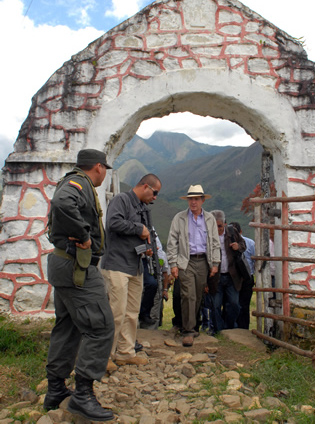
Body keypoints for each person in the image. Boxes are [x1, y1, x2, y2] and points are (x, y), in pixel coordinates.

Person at [44, 149, 115, 422]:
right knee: (101, 326)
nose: (105, 173)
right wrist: (84, 235)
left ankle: (56, 390)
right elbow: (62, 203)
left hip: (63, 265)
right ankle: (83, 396)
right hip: (77, 268)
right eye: (105, 169)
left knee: (68, 325)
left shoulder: (75, 181)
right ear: (98, 167)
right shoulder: (78, 183)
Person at [101, 174, 162, 365]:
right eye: (155, 192)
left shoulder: (143, 208)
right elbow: (113, 223)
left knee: (131, 312)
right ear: (145, 186)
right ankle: (105, 357)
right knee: (116, 312)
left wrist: (147, 246)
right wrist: (139, 229)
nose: (155, 197)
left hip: (136, 265)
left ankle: (125, 353)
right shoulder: (121, 200)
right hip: (117, 264)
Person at [167, 184, 221, 347]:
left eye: (196, 199)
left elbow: (214, 242)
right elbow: (172, 241)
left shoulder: (210, 218)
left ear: (202, 200)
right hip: (186, 261)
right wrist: (173, 263)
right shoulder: (180, 218)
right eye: (191, 199)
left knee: (197, 296)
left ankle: (193, 326)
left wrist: (215, 263)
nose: (193, 202)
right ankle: (188, 330)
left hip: (203, 261)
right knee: (188, 294)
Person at [208, 211, 246, 332]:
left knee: (234, 304)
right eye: (214, 225)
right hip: (215, 277)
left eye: (219, 225)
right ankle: (218, 329)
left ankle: (228, 328)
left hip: (232, 275)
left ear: (224, 224)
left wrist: (237, 246)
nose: (217, 228)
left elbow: (243, 244)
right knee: (215, 305)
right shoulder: (207, 235)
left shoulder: (232, 232)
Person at [231, 222, 255, 330]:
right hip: (232, 278)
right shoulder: (228, 243)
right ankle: (232, 327)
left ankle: (244, 329)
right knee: (232, 303)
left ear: (240, 232)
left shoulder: (250, 243)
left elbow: (255, 261)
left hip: (246, 278)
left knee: (244, 305)